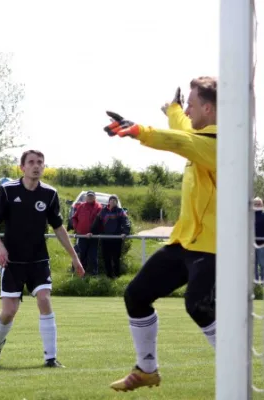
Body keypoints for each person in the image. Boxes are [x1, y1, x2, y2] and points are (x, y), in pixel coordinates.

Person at [104, 77, 217, 392]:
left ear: (208, 108)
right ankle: (146, 370)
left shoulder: (221, 144)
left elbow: (180, 141)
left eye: (193, 106)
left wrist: (139, 130)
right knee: (136, 296)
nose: (189, 112)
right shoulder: (202, 133)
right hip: (186, 241)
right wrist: (175, 110)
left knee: (199, 306)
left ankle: (236, 367)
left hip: (216, 246)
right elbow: (184, 130)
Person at [0, 150, 85, 368]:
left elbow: (58, 227)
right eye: (31, 162)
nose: (36, 166)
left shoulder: (49, 193)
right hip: (11, 261)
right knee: (9, 311)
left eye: (40, 162)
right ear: (22, 167)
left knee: (44, 300)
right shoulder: (8, 190)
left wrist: (75, 258)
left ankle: (50, 358)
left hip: (38, 260)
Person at [91, 195, 130, 278]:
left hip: (116, 238)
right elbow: (96, 223)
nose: (113, 202)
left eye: (115, 200)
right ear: (108, 202)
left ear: (117, 202)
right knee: (106, 258)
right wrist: (91, 232)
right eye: (111, 200)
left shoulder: (120, 211)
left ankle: (117, 275)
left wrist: (125, 232)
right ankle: (109, 276)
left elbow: (126, 222)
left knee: (116, 258)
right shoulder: (103, 211)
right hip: (105, 238)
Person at [71, 191, 102, 275]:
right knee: (82, 254)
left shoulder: (98, 207)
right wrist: (76, 228)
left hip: (93, 236)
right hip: (82, 235)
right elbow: (74, 218)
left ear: (95, 198)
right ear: (86, 198)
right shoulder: (81, 206)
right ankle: (81, 274)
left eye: (91, 196)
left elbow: (99, 222)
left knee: (93, 256)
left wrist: (92, 232)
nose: (90, 198)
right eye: (88, 196)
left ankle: (94, 275)